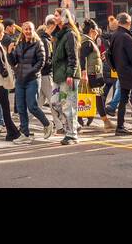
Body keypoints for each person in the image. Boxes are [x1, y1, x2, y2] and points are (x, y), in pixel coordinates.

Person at [12, 21, 51, 140]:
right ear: (22, 31)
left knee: (32, 106)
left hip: (32, 79)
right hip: (20, 79)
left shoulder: (38, 43)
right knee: (20, 107)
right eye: (26, 29)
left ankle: (47, 124)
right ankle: (25, 133)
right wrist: (9, 53)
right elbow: (14, 62)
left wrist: (30, 72)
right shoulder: (19, 43)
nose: (28, 31)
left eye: (30, 29)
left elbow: (41, 61)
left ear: (33, 30)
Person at [50, 9, 81, 144]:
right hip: (58, 76)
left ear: (64, 18)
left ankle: (72, 134)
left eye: (56, 15)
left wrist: (71, 74)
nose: (54, 17)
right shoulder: (59, 34)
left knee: (68, 105)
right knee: (55, 103)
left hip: (68, 76)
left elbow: (73, 56)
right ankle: (73, 126)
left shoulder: (70, 34)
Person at [79, 20, 111, 131]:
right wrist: (84, 73)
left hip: (92, 72)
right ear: (92, 30)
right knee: (97, 97)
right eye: (96, 29)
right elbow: (82, 58)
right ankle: (106, 121)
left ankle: (83, 119)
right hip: (91, 73)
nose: (98, 32)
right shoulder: (87, 41)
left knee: (93, 96)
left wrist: (99, 58)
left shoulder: (87, 41)